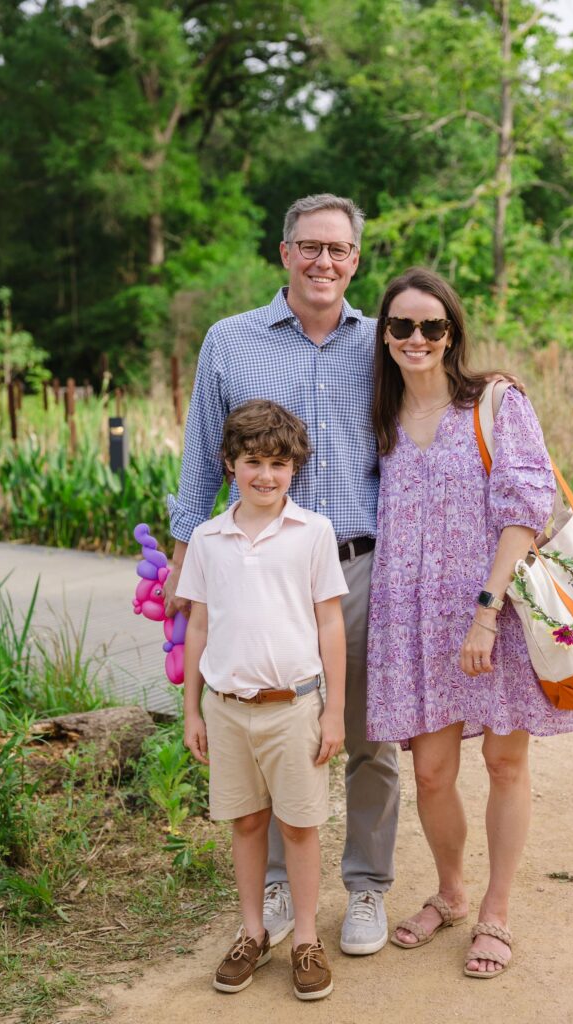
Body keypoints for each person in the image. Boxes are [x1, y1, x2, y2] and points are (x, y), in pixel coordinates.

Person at [165, 193, 399, 955]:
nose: (322, 261)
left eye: (337, 249)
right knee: (263, 721)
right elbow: (203, 452)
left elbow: (434, 413)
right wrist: (180, 557)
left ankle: (364, 888)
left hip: (358, 566)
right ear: (284, 252)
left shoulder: (385, 342)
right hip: (254, 569)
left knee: (365, 736)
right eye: (309, 247)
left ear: (355, 260)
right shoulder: (230, 342)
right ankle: (269, 884)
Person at [366, 267, 573, 978]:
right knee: (429, 773)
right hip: (411, 620)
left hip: (494, 611)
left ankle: (495, 909)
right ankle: (450, 892)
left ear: (452, 331)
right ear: (385, 334)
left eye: (431, 325)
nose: (417, 337)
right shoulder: (379, 416)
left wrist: (485, 616)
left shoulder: (493, 401)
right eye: (401, 325)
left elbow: (527, 505)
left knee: (502, 760)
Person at [179, 399, 347, 1000]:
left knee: (299, 826)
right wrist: (192, 710)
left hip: (294, 706)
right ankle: (253, 932)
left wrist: (333, 710)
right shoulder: (207, 538)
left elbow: (330, 624)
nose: (265, 475)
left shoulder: (313, 533)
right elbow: (197, 626)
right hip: (226, 708)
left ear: (294, 469)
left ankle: (305, 938)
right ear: (230, 464)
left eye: (278, 463)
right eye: (253, 462)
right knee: (247, 822)